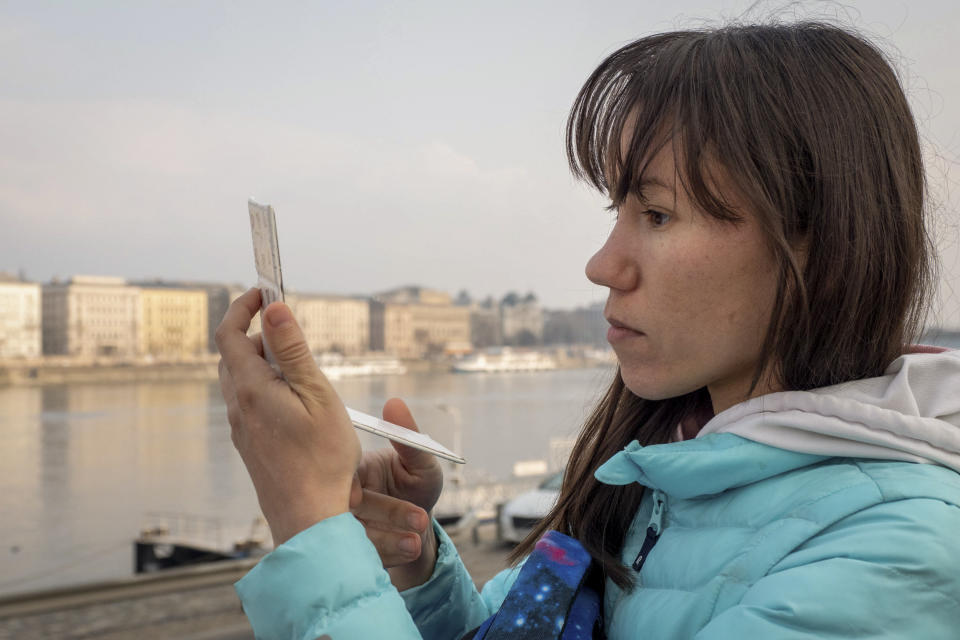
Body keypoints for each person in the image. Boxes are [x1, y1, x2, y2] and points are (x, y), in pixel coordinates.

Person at [215, 20, 960, 640]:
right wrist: (413, 565)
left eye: (658, 215)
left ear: (818, 243)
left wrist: (311, 524)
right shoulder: (655, 475)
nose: (604, 265)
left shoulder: (899, 554)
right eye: (618, 213)